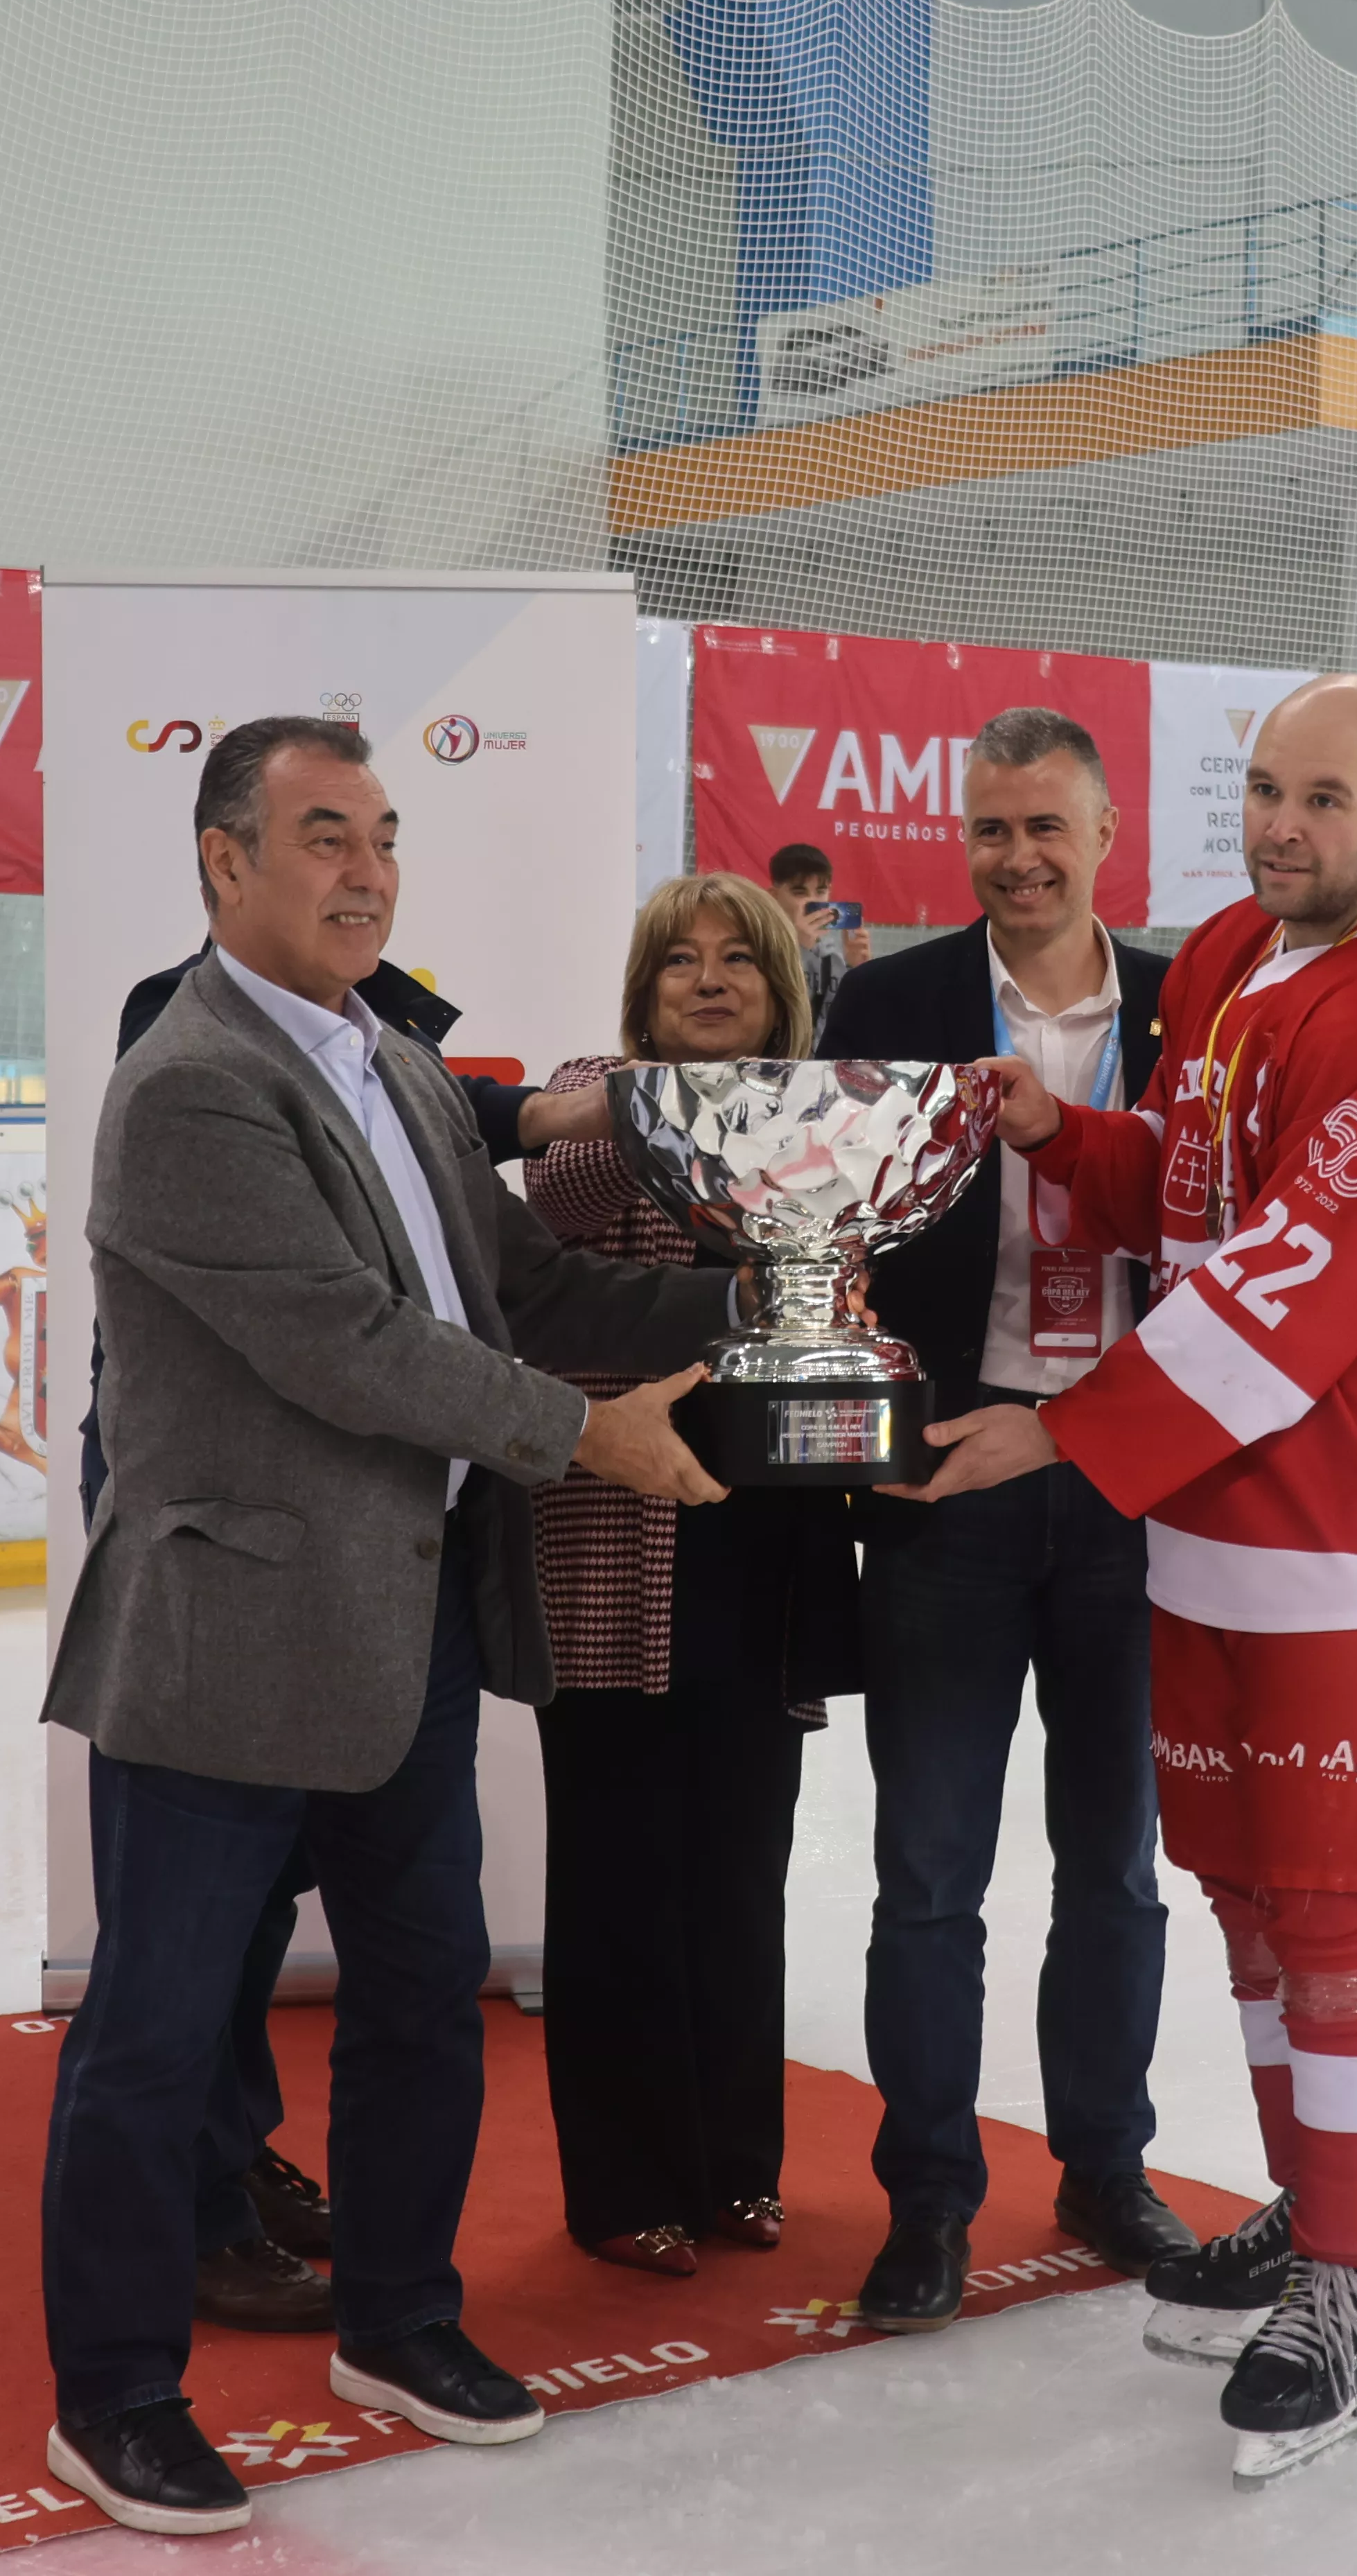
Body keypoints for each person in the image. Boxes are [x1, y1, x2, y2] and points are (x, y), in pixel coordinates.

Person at [37, 715, 735, 2537]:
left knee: (424, 1999)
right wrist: (592, 1435)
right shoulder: (195, 1084)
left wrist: (766, 1293)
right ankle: (111, 2395)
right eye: (323, 835)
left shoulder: (393, 1062)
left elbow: (527, 1283)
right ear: (224, 863)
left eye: (384, 836)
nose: (365, 871)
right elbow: (356, 1344)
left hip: (411, 1632)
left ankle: (400, 2324)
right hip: (230, 1648)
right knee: (158, 2031)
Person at [896, 674, 1357, 2486]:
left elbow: (1295, 1291)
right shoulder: (1245, 952)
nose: (1283, 826)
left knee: (1347, 1914)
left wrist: (1067, 1433)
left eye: (1326, 798)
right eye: (1265, 789)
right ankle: (1319, 2206)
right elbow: (1196, 1200)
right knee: (1255, 1894)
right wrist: (1054, 1133)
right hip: (1232, 1529)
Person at [814, 708, 1192, 2327]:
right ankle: (930, 2199)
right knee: (928, 1875)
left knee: (1113, 1864)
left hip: (1127, 1493)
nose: (1017, 857)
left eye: (1045, 825)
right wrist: (866, 1442)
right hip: (951, 1486)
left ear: (1106, 832)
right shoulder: (890, 1002)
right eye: (989, 829)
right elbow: (822, 1240)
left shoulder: (1197, 1009)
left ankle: (1107, 2168)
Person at [522, 877, 860, 2279]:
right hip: (616, 1528)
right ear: (642, 992)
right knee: (614, 1872)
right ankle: (623, 2184)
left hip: (759, 1539)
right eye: (681, 964)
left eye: (739, 961)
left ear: (783, 988)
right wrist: (715, 1107)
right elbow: (565, 1180)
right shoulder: (598, 1093)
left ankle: (736, 2166)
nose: (709, 981)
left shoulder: (828, 1125)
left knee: (740, 1869)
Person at [769, 841, 871, 1024]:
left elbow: (854, 1021)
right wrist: (800, 950)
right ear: (774, 896)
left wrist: (857, 971)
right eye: (799, 893)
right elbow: (778, 1017)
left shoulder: (834, 958)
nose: (812, 902)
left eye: (820, 892)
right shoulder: (760, 951)